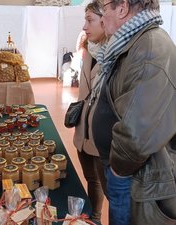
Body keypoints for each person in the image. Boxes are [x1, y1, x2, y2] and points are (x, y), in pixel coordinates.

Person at [91, 0, 176, 224]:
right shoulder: (134, 41)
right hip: (125, 172)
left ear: (122, 8)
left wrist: (118, 170)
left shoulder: (149, 48)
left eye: (105, 8)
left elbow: (136, 135)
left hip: (132, 177)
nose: (102, 17)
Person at [73, 0, 106, 222]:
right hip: (82, 127)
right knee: (88, 176)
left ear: (105, 22)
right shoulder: (88, 50)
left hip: (99, 131)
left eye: (89, 20)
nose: (84, 26)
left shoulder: (114, 55)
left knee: (98, 180)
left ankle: (95, 216)